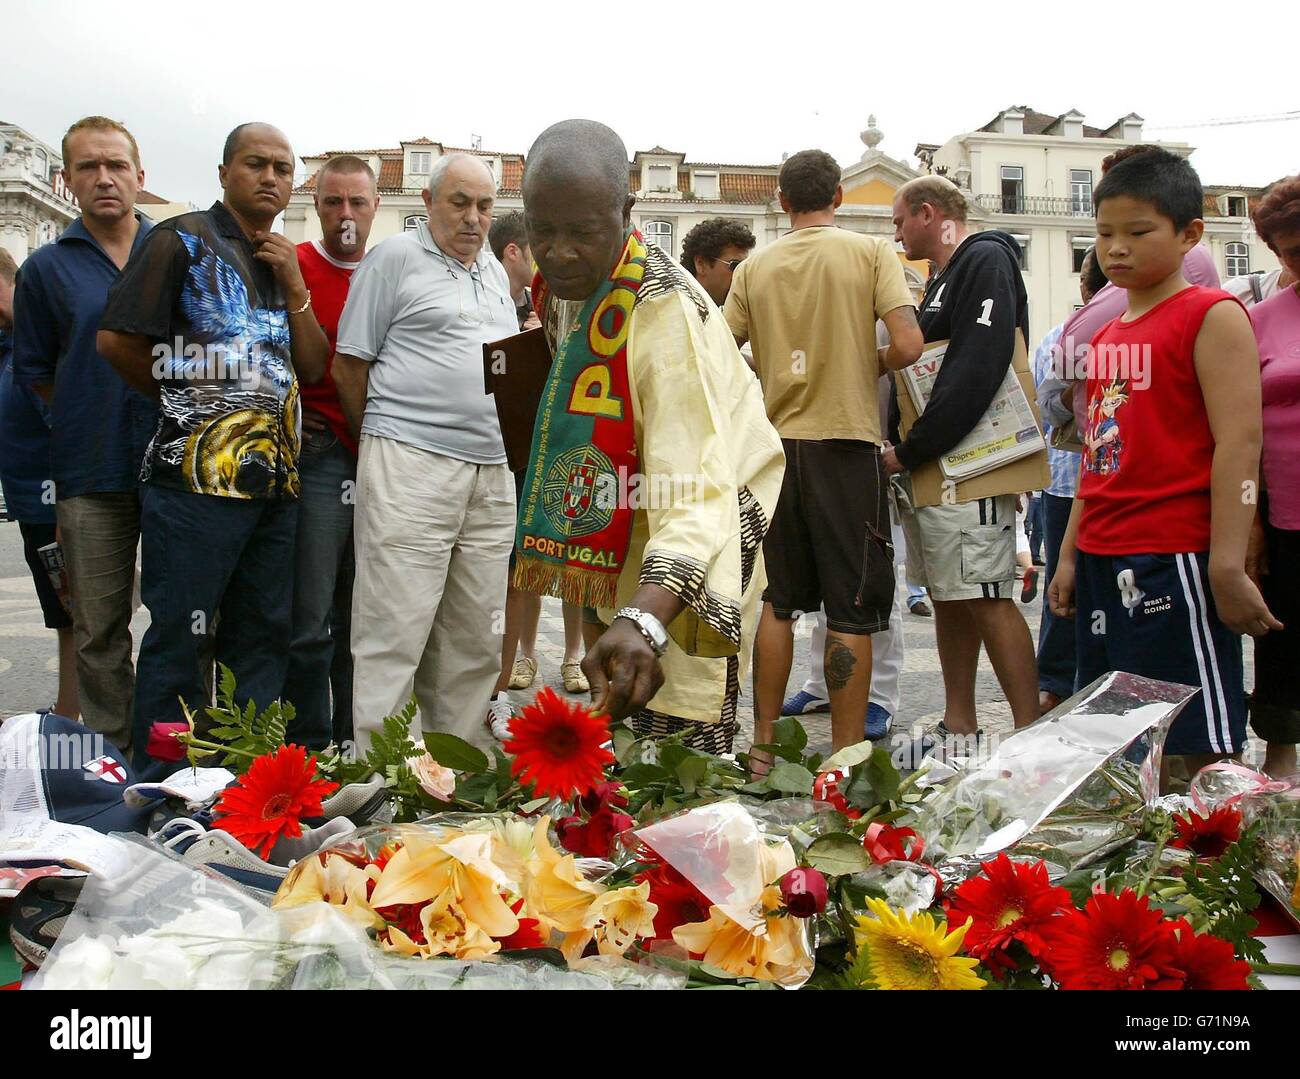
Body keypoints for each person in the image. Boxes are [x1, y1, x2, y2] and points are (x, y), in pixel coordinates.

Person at [517, 119, 784, 754]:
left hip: (704, 528)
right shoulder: (570, 287)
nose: (558, 252)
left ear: (627, 212)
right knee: (619, 734)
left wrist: (645, 615)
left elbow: (695, 487)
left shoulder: (662, 309)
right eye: (542, 230)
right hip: (623, 527)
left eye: (582, 232)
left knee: (679, 746)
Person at [97, 122, 329, 773]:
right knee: (178, 643)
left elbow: (312, 368)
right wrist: (188, 400)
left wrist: (293, 285)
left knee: (262, 639)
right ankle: (162, 782)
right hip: (192, 487)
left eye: (283, 169)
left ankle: (245, 781)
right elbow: (116, 341)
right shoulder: (180, 240)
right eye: (256, 164)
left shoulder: (282, 257)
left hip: (276, 490)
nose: (271, 178)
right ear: (225, 171)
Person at [1048, 147, 1279, 786]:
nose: (1115, 249)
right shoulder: (1106, 337)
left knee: (1196, 743)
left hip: (1172, 557)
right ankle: (1144, 870)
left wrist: (1227, 564)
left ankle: (1218, 869)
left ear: (1189, 234)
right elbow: (1097, 454)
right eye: (1103, 235)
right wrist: (1069, 555)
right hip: (1101, 555)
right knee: (1117, 741)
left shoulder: (1210, 315)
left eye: (1137, 232)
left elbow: (1240, 442)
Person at [726, 149, 922, 757]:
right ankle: (843, 754)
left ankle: (760, 746)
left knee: (778, 604)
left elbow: (722, 350)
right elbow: (911, 345)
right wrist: (871, 361)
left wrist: (768, 370)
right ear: (838, 196)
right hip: (847, 444)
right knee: (851, 610)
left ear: (781, 201)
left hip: (778, 452)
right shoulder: (870, 254)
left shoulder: (753, 268)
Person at [332, 154, 518, 754]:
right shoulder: (393, 259)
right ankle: (380, 774)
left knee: (473, 634)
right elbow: (349, 366)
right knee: (394, 627)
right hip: (410, 462)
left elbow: (500, 366)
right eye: (459, 203)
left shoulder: (493, 270)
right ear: (429, 200)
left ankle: (458, 768)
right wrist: (385, 445)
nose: (472, 218)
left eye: (484, 206)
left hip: (490, 471)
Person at [10, 117, 157, 752]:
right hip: (88, 471)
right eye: (89, 167)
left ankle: (179, 755)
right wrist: (79, 416)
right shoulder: (45, 269)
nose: (105, 178)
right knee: (97, 625)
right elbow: (36, 370)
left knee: (184, 621)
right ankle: (112, 760)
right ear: (67, 180)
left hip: (175, 469)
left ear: (138, 175)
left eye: (116, 165)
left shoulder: (173, 252)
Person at [885, 175, 1041, 744]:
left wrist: (911, 449)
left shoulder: (985, 259)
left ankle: (1027, 730)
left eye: (900, 220)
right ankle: (959, 719)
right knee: (954, 598)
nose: (896, 231)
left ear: (929, 214)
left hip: (967, 468)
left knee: (987, 596)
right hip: (940, 469)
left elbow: (978, 365)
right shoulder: (944, 279)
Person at [281, 155, 380, 750]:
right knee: (311, 614)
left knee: (364, 616)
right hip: (320, 452)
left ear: (374, 208)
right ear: (316, 207)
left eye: (358, 203)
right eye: (333, 202)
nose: (345, 214)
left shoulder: (390, 270)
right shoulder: (294, 265)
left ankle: (355, 740)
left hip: (381, 455)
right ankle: (309, 743)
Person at [485, 212, 587, 736]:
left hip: (568, 442)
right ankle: (523, 655)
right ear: (515, 252)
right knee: (524, 556)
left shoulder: (569, 295)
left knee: (571, 551)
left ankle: (573, 654)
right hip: (520, 446)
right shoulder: (499, 302)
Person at [0, 249, 77, 717]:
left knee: (73, 613)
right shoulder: (6, 343)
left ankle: (72, 716)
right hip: (27, 501)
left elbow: (60, 423)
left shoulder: (33, 347)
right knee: (60, 610)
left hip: (55, 502)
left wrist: (66, 507)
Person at [1031, 247, 1105, 714]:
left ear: (1083, 286)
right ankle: (1086, 681)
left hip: (1064, 480)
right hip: (1091, 480)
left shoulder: (1058, 338)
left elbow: (1049, 408)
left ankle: (1054, 684)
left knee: (1063, 586)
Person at [1243, 176, 1300, 777]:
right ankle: (1280, 790)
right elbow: (1240, 430)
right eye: (1293, 251)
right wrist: (1250, 519)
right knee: (1283, 652)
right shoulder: (1259, 319)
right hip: (1286, 516)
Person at [681, 218, 755, 307]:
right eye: (735, 266)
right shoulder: (678, 312)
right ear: (701, 264)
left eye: (745, 268)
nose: (742, 276)